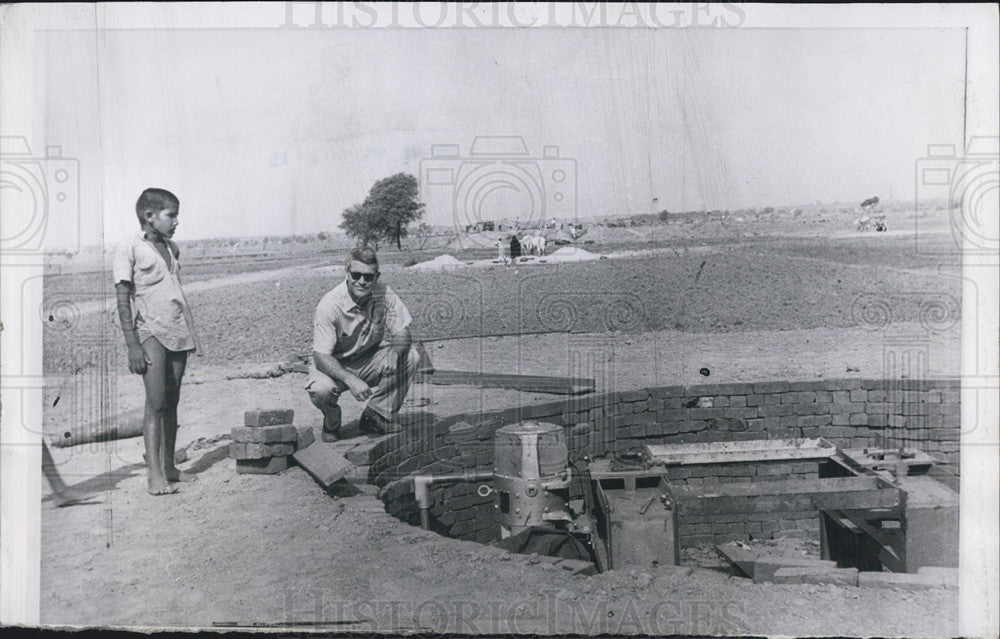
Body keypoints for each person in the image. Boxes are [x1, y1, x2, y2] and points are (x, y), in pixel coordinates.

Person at [113, 188, 199, 496]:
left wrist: (191, 332)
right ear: (150, 216)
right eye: (171, 215)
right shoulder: (129, 248)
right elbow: (123, 298)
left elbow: (175, 292)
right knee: (157, 402)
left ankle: (170, 467)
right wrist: (132, 345)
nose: (176, 221)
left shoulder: (172, 248)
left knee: (173, 401)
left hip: (176, 331)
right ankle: (154, 476)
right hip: (148, 331)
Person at [306, 246, 421, 440]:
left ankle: (376, 416)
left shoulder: (384, 294)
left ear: (377, 276)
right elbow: (321, 356)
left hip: (368, 359)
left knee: (409, 356)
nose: (362, 282)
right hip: (333, 365)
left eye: (368, 277)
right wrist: (350, 380)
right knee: (320, 389)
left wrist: (394, 354)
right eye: (356, 275)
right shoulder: (330, 305)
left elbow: (403, 333)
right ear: (347, 273)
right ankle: (332, 419)